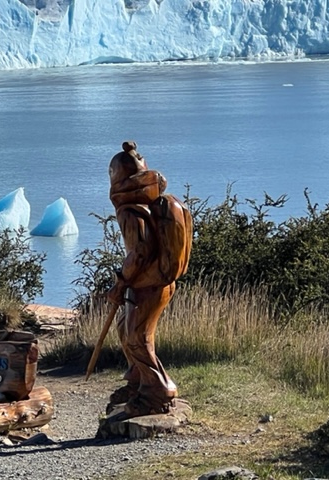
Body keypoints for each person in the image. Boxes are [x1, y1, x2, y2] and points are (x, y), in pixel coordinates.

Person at [106, 141, 191, 417]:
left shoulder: (130, 210)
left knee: (137, 339)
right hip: (153, 281)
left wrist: (120, 282)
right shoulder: (145, 201)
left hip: (148, 283)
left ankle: (157, 392)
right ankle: (137, 380)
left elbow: (140, 251)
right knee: (124, 329)